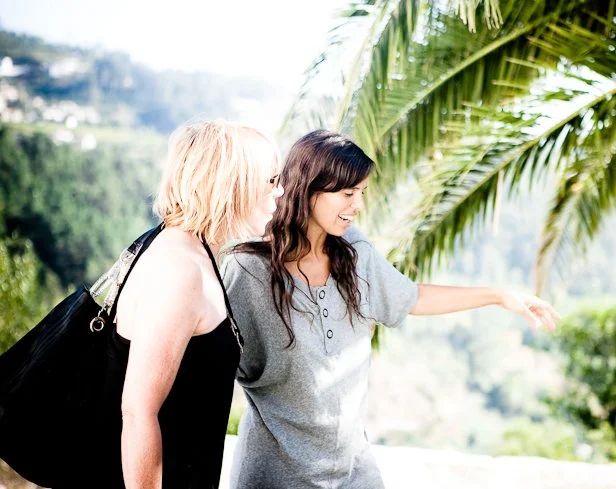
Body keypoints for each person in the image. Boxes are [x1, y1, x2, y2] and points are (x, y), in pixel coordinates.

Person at [221, 129, 560, 489]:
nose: (358, 206)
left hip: (354, 475)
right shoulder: (249, 270)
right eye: (348, 193)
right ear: (308, 188)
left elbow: (411, 297)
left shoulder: (352, 252)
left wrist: (498, 295)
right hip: (275, 477)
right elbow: (212, 367)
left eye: (362, 193)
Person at [94, 120, 283, 488]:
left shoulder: (195, 253)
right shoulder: (179, 269)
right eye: (272, 180)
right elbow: (137, 412)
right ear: (233, 184)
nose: (281, 192)